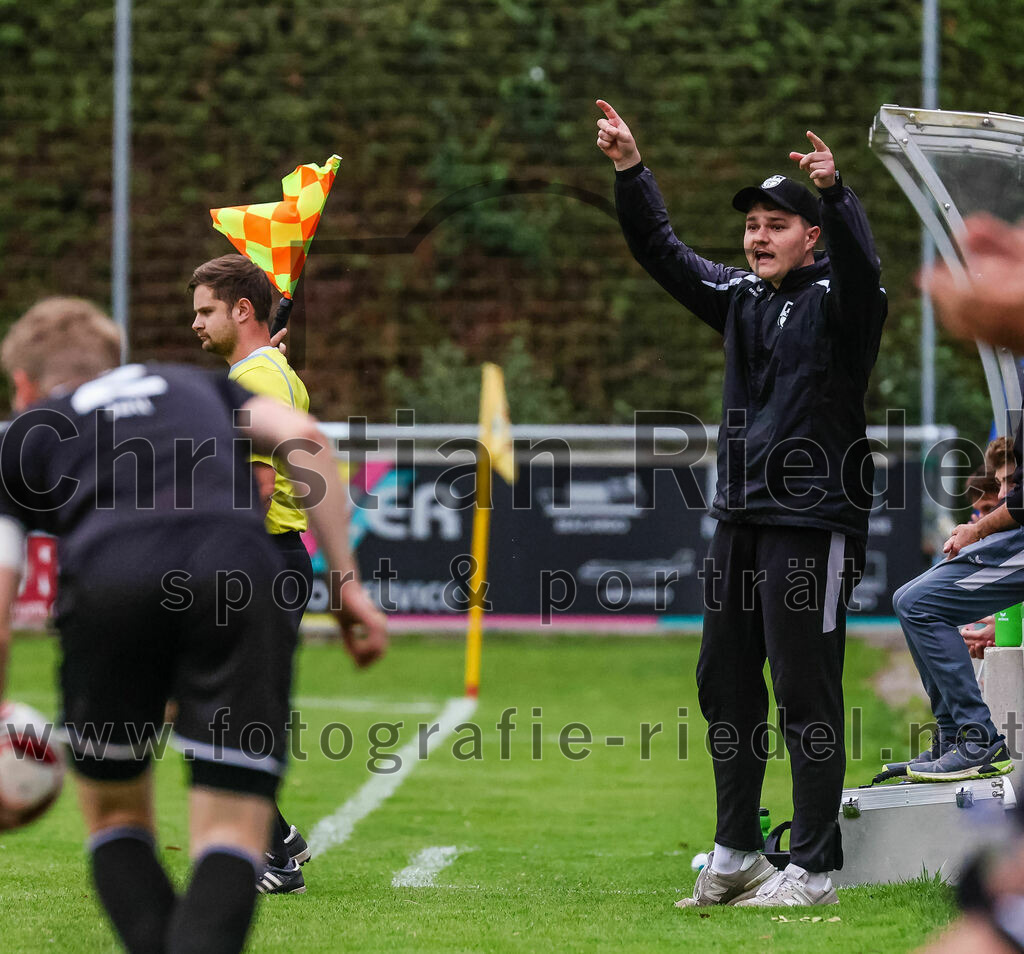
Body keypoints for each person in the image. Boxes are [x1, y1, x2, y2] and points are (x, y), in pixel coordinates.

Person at [0, 297, 386, 953]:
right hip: (238, 577)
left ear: (24, 385)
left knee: (117, 818)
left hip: (111, 582)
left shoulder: (28, 431)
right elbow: (308, 439)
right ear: (113, 362)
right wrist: (345, 585)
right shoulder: (194, 382)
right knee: (234, 833)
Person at [595, 100, 886, 908]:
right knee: (723, 681)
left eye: (776, 224)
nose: (757, 237)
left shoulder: (843, 300)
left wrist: (837, 193)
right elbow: (662, 251)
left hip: (813, 522)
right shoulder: (741, 298)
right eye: (752, 225)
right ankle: (737, 854)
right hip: (741, 519)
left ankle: (816, 870)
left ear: (811, 236)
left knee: (805, 692)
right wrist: (631, 172)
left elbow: (864, 269)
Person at [188, 253, 324, 894]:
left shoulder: (260, 379)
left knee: (217, 712)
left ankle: (274, 857)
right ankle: (277, 835)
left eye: (206, 310)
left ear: (242, 310)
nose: (196, 323)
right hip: (277, 557)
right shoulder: (268, 370)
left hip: (258, 558)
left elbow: (258, 483)